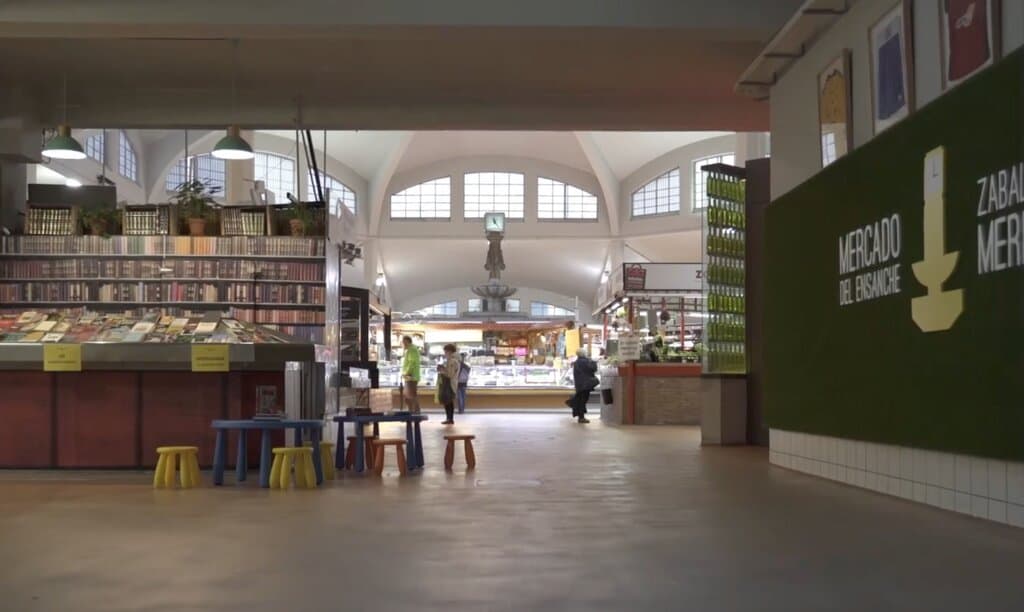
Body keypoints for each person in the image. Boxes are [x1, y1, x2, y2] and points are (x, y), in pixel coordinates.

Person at [568, 348, 599, 424]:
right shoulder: (584, 361)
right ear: (583, 353)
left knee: (580, 400)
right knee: (583, 400)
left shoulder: (577, 362)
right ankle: (581, 417)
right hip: (585, 385)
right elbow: (593, 369)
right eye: (585, 352)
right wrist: (594, 361)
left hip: (579, 384)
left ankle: (579, 415)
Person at [436, 343, 461, 425]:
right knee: (448, 401)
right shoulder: (454, 360)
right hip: (452, 383)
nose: (445, 353)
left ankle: (449, 418)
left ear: (449, 351)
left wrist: (442, 370)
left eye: (445, 352)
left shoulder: (452, 361)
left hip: (450, 384)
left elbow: (450, 374)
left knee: (448, 402)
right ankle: (449, 418)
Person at [401, 335, 421, 414]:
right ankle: (413, 411)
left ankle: (415, 412)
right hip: (411, 377)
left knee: (411, 395)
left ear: (407, 342)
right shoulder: (411, 349)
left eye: (403, 342)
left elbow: (412, 363)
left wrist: (406, 373)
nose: (403, 344)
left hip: (411, 377)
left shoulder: (412, 350)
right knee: (409, 395)